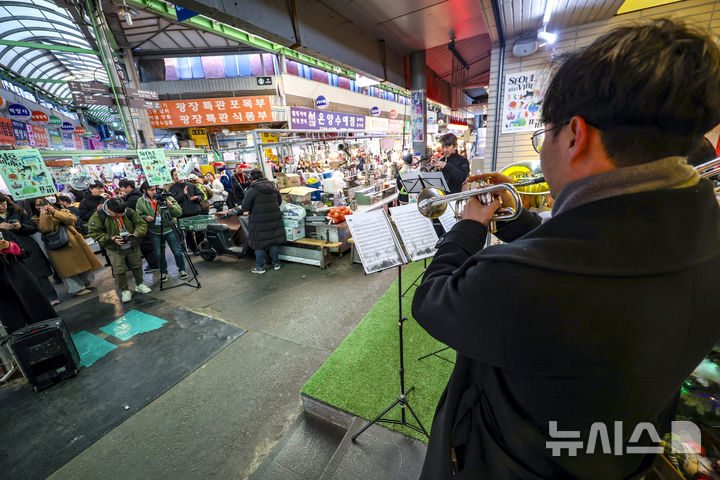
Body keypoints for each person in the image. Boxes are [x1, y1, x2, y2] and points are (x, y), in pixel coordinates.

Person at [411, 19, 720, 480]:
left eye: (545, 135)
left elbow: (432, 300)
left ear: (575, 135)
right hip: (620, 452)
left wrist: (470, 225)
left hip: (513, 463)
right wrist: (514, 215)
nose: (543, 152)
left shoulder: (516, 279)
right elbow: (576, 247)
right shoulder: (703, 230)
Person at [88, 197, 151, 303]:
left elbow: (141, 224)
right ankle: (125, 290)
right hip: (114, 248)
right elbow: (94, 233)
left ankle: (140, 284)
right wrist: (111, 238)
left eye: (122, 212)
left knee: (137, 265)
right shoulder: (98, 216)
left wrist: (135, 234)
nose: (120, 215)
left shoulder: (128, 211)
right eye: (117, 213)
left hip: (132, 244)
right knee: (119, 270)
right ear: (109, 209)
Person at [34, 197, 101, 297]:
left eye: (44, 203)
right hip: (57, 245)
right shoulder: (36, 218)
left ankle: (87, 283)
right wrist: (44, 215)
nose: (42, 206)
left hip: (74, 241)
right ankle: (77, 288)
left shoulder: (62, 211)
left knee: (83, 263)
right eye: (38, 205)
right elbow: (46, 229)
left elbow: (71, 219)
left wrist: (54, 212)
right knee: (67, 269)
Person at [0, 193, 58, 305]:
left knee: (40, 274)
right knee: (21, 278)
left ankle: (51, 297)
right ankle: (35, 303)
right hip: (8, 252)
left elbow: (32, 228)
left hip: (27, 246)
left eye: (2, 202)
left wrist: (20, 227)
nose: (1, 206)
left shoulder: (17, 212)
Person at [0, 229, 57, 333]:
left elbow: (25, 252)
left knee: (39, 312)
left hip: (22, 278)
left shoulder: (4, 233)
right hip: (3, 290)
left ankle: (51, 333)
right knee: (14, 323)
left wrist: (9, 246)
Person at [135, 182, 189, 282]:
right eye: (151, 190)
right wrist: (145, 217)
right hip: (154, 231)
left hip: (169, 228)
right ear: (144, 191)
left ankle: (182, 270)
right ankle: (163, 272)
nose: (154, 192)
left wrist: (171, 206)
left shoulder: (165, 197)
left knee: (177, 251)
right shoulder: (141, 201)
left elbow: (179, 213)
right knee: (159, 254)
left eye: (155, 189)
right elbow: (138, 216)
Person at [240, 169, 285, 274]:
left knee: (258, 244)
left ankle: (260, 267)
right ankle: (276, 263)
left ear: (252, 178)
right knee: (273, 241)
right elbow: (279, 201)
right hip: (274, 219)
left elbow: (245, 207)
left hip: (258, 221)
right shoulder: (273, 187)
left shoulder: (252, 190)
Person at [169, 168, 203, 254]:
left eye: (178, 173)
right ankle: (194, 250)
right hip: (184, 215)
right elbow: (173, 201)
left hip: (196, 212)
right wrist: (183, 194)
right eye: (175, 175)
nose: (177, 176)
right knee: (188, 234)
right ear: (172, 177)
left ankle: (201, 247)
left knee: (200, 231)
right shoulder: (172, 188)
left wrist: (197, 198)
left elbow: (201, 195)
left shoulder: (191, 185)